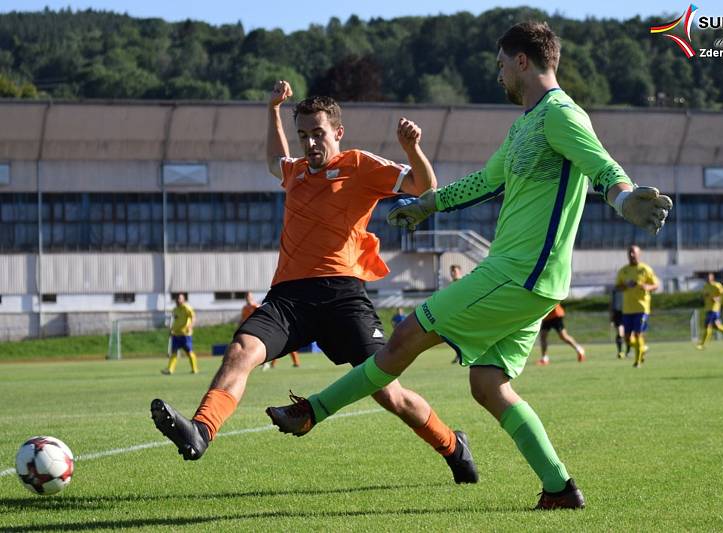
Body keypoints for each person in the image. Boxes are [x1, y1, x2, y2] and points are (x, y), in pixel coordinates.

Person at [266, 21, 672, 510]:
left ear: (522, 61)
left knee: (404, 338)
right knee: (487, 384)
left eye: (501, 63)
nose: (498, 72)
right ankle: (561, 489)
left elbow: (604, 168)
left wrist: (625, 200)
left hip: (518, 274)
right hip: (528, 280)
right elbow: (485, 181)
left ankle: (313, 410)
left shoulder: (562, 115)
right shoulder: (525, 123)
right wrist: (427, 204)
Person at [150, 82, 478, 485]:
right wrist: (273, 109)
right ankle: (201, 430)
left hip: (343, 297)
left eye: (317, 133)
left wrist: (412, 147)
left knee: (388, 392)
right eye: (303, 135)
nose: (310, 143)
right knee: (241, 350)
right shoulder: (296, 172)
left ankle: (451, 444)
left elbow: (424, 187)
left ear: (337, 132)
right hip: (289, 297)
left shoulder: (359, 165)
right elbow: (275, 159)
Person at [616, 245, 659, 369]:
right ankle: (642, 348)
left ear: (639, 254)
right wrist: (625, 286)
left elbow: (656, 285)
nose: (631, 255)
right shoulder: (623, 270)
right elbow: (617, 286)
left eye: (633, 253)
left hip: (642, 308)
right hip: (627, 309)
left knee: (638, 335)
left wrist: (647, 287)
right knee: (628, 339)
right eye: (629, 252)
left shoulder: (645, 269)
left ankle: (637, 361)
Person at [239, 292, 302, 370]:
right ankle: (265, 363)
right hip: (249, 330)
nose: (248, 298)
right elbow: (242, 319)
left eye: (249, 296)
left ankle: (295, 363)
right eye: (247, 297)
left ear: (251, 297)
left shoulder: (256, 306)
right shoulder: (245, 308)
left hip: (261, 329)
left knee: (284, 345)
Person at [162, 293, 199, 375]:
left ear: (183, 300)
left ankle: (194, 369)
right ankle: (170, 370)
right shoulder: (175, 309)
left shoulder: (187, 308)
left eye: (180, 298)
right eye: (177, 298)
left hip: (185, 334)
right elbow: (174, 321)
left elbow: (193, 317)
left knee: (189, 352)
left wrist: (191, 326)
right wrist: (171, 330)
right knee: (174, 352)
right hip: (176, 334)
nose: (178, 300)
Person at [696, 273, 723, 350]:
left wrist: (717, 298)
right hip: (708, 309)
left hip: (714, 309)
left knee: (708, 325)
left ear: (713, 278)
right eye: (707, 277)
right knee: (717, 326)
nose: (708, 279)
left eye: (709, 277)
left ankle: (702, 344)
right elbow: (705, 296)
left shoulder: (717, 285)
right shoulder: (705, 286)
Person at [449, 265, 463, 363]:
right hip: (455, 314)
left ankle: (461, 355)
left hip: (463, 314)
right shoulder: (452, 284)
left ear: (459, 272)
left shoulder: (462, 282)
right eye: (451, 271)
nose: (453, 273)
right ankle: (459, 354)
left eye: (454, 271)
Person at [609, 287, 626, 358]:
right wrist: (611, 317)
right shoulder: (615, 290)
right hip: (618, 313)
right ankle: (620, 351)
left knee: (628, 334)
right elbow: (612, 303)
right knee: (620, 332)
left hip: (628, 311)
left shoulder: (629, 288)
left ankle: (628, 350)